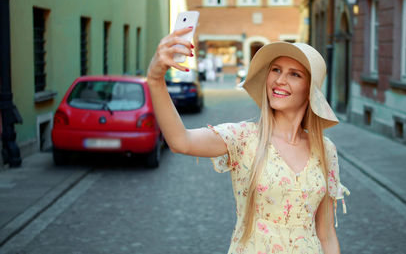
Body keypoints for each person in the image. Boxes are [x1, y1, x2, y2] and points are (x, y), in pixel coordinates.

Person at [147, 27, 349, 254]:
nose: (280, 80)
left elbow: (327, 234)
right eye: (276, 70)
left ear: (310, 90)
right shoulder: (243, 137)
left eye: (295, 74)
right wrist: (155, 79)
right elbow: (180, 141)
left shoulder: (325, 149)